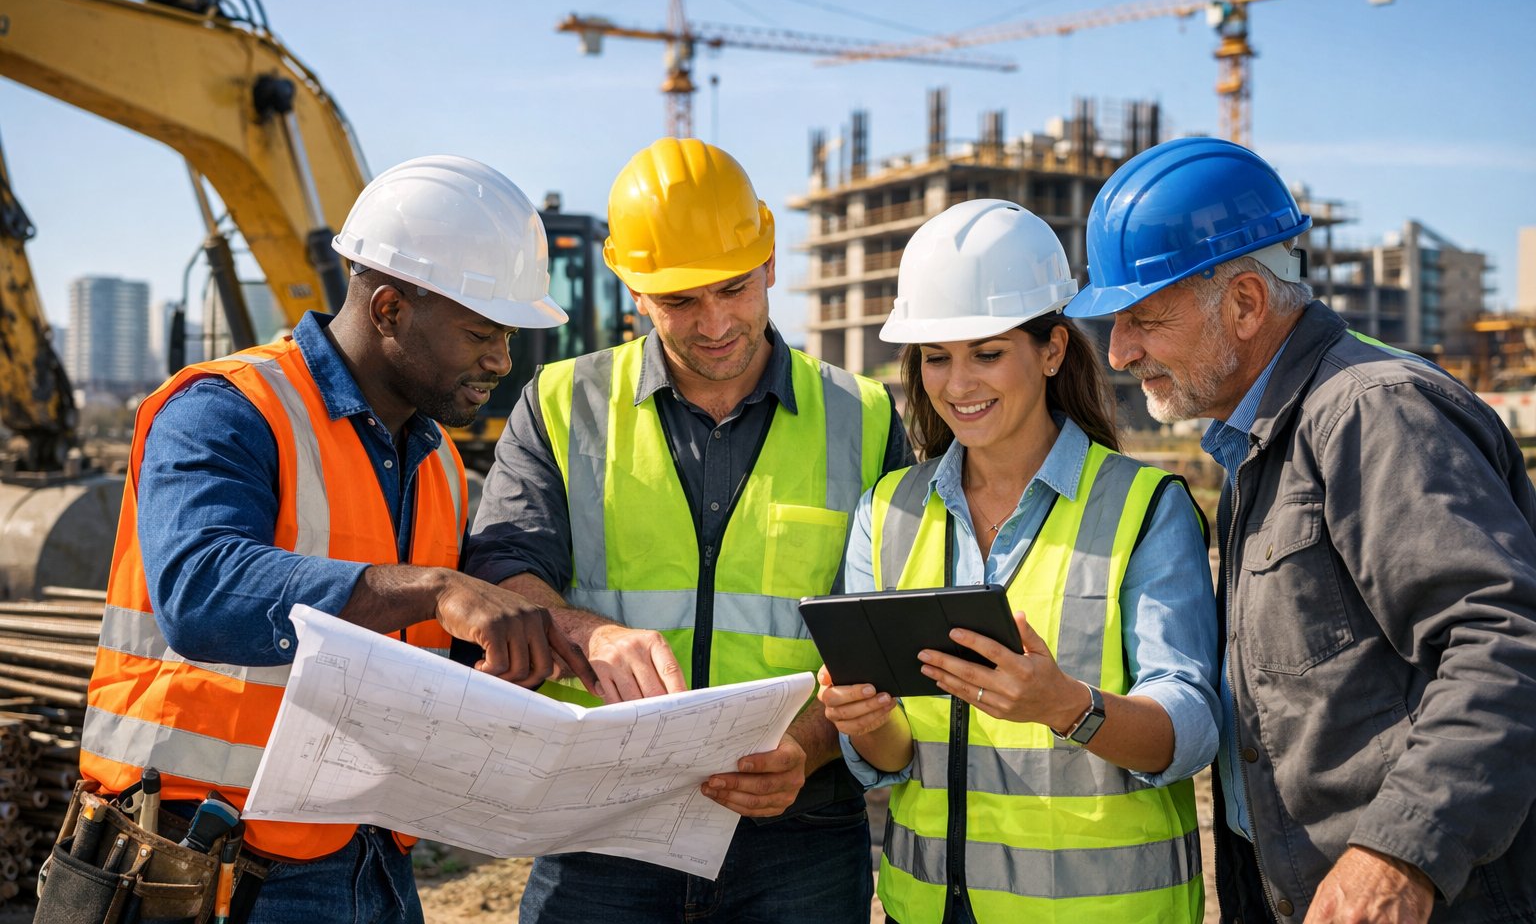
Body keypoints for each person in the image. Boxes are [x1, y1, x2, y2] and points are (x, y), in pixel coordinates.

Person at [80, 155, 598, 924]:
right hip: (206, 865)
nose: (502, 359)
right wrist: (437, 588)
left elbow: (413, 647)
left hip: (370, 856)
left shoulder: (439, 463)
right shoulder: (226, 408)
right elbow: (200, 591)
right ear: (388, 309)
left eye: (509, 335)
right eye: (481, 333)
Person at [1064, 136, 1536, 923]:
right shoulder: (1260, 440)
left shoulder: (1368, 411)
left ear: (1246, 303)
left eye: (1144, 318)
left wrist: (1399, 854)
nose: (1119, 353)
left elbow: (1504, 642)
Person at [464, 137, 912, 923]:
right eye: (679, 301)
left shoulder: (865, 418)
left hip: (798, 827)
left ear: (770, 261)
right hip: (602, 822)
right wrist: (587, 633)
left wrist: (804, 749)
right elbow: (504, 563)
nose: (713, 325)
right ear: (634, 288)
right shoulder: (562, 401)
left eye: (734, 289)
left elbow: (884, 628)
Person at [818, 198, 1221, 924]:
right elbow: (894, 756)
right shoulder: (886, 513)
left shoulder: (1143, 507)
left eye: (987, 352)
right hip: (928, 909)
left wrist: (1067, 707)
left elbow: (1190, 727)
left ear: (1053, 350)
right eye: (937, 358)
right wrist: (862, 720)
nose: (958, 384)